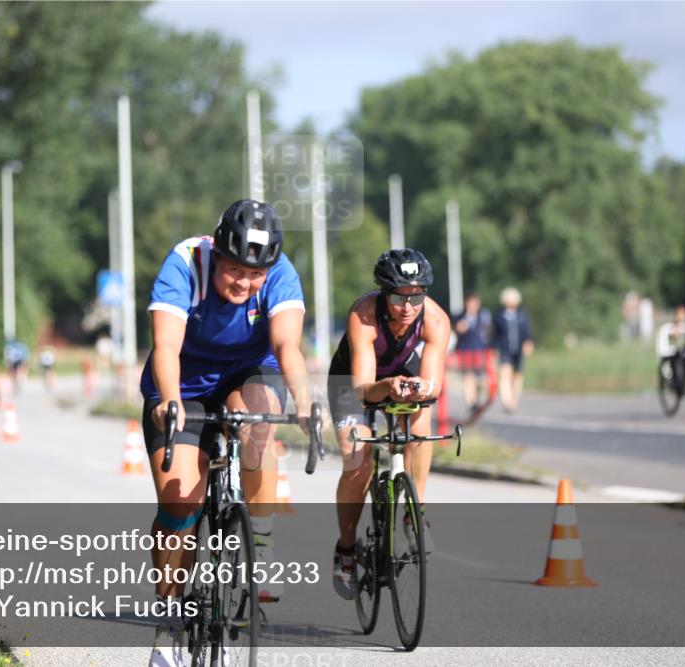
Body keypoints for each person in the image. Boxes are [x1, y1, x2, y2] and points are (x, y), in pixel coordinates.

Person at [143, 199, 311, 666]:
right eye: (234, 269)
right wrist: (171, 401)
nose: (244, 282)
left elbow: (287, 345)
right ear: (216, 253)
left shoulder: (280, 274)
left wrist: (304, 404)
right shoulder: (185, 263)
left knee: (257, 421)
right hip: (184, 383)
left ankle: (258, 537)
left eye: (254, 275)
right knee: (179, 500)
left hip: (248, 374)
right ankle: (170, 618)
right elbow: (166, 345)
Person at [327, 249, 451, 601]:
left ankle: (416, 515)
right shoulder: (364, 315)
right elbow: (364, 390)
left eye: (416, 296)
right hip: (354, 380)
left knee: (421, 420)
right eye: (398, 296)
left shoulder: (436, 321)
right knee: (357, 460)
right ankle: (347, 550)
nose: (408, 306)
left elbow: (434, 384)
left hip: (401, 373)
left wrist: (421, 390)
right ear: (383, 293)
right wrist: (388, 388)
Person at [492, 287, 534, 413]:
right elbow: (493, 334)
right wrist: (494, 348)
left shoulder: (522, 315)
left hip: (518, 350)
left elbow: (527, 332)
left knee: (517, 375)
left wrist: (529, 342)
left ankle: (515, 399)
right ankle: (507, 401)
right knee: (505, 374)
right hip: (504, 349)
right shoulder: (498, 316)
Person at [453, 292, 495, 414]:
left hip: (480, 350)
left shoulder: (484, 316)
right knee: (468, 377)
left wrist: (491, 349)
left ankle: (475, 399)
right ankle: (470, 402)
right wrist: (461, 327)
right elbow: (457, 330)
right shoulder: (461, 316)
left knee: (480, 379)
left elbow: (489, 334)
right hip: (465, 350)